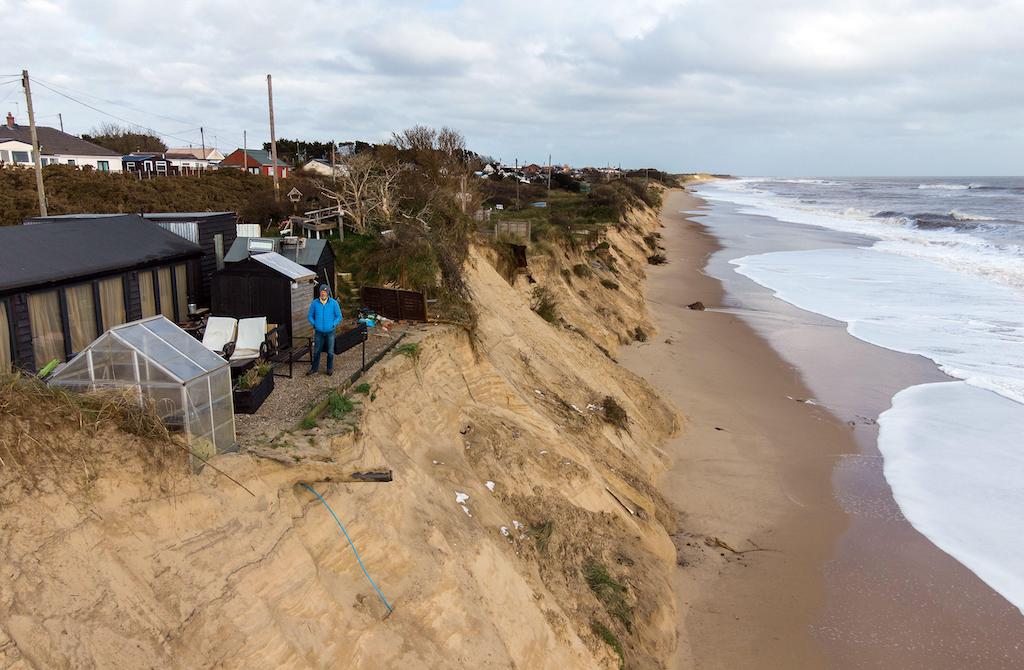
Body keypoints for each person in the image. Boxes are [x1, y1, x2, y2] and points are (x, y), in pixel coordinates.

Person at [307, 284, 342, 376]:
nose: (323, 293)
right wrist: (314, 324)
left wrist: (333, 324)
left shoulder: (334, 303)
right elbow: (310, 316)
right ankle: (314, 369)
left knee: (330, 352)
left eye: (325, 292)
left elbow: (339, 316)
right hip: (318, 332)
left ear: (327, 293)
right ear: (320, 292)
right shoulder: (315, 303)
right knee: (316, 351)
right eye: (322, 292)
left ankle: (329, 368)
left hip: (330, 332)